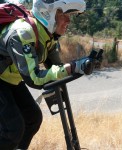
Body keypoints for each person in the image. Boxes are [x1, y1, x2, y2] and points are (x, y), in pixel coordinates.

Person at [0, 0, 87, 149]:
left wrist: (84, 64)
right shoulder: (23, 32)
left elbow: (57, 69)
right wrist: (71, 67)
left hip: (8, 78)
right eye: (64, 14)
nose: (69, 20)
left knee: (33, 118)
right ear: (48, 13)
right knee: (13, 128)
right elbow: (35, 78)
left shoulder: (48, 36)